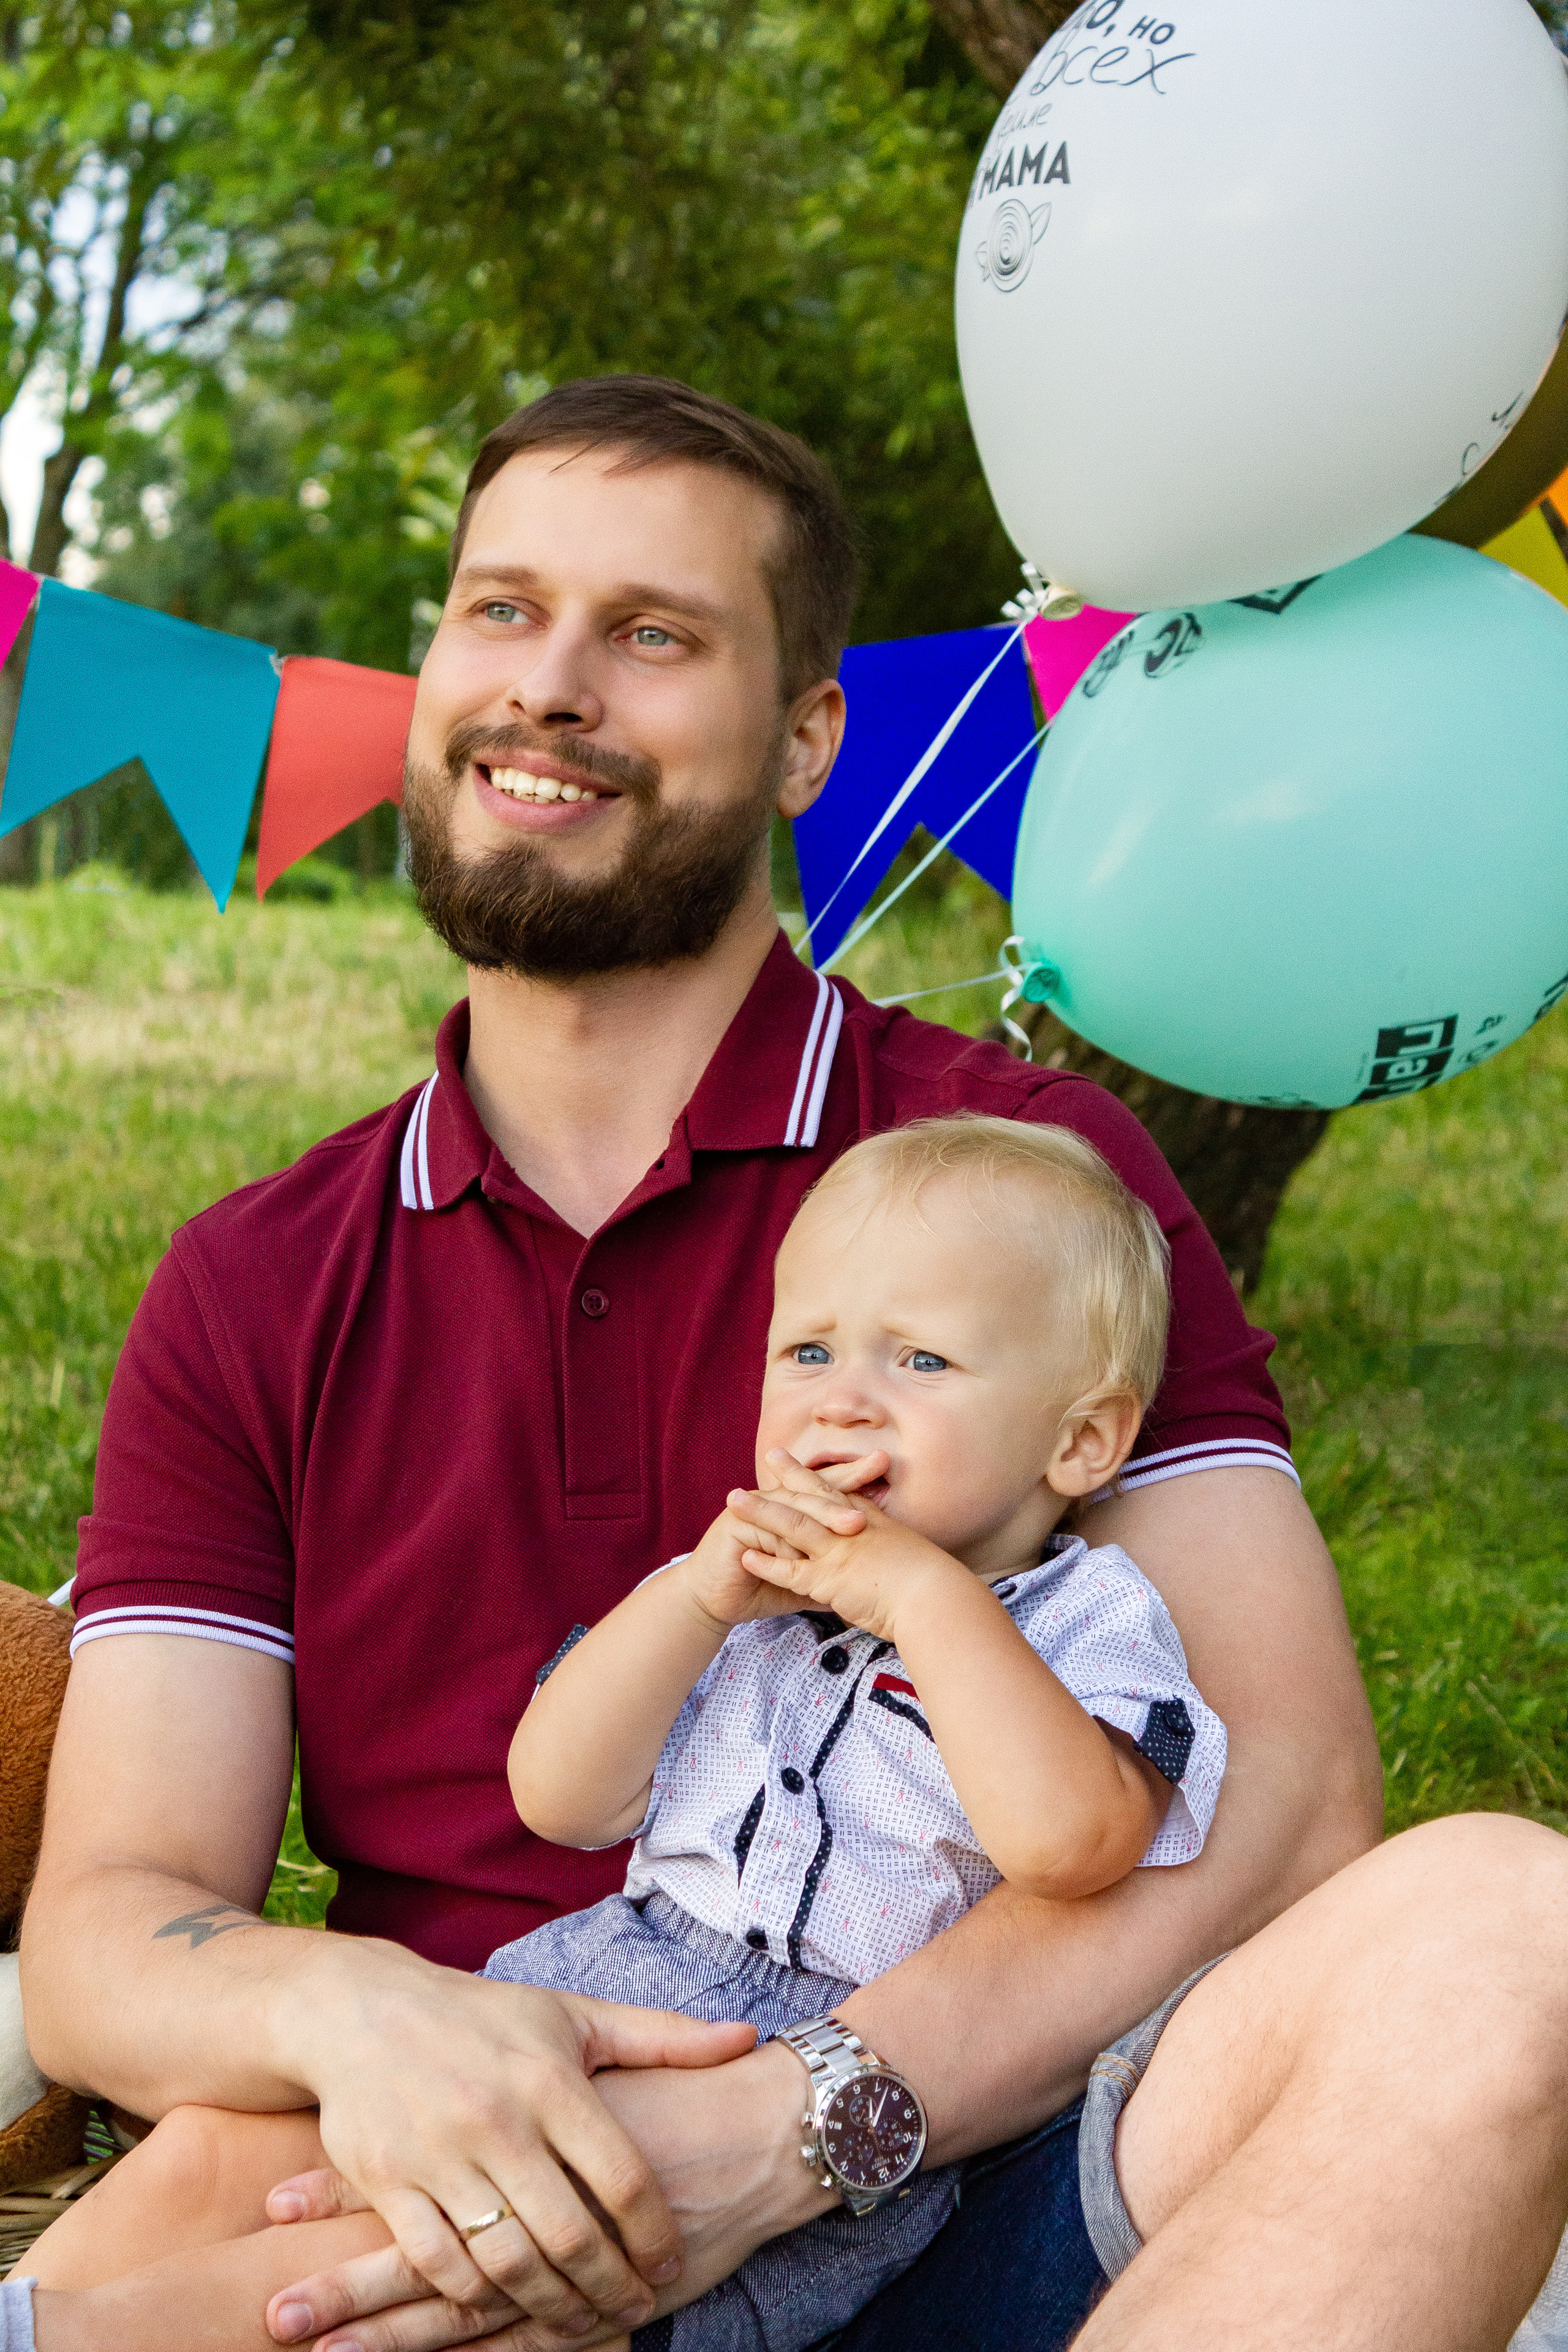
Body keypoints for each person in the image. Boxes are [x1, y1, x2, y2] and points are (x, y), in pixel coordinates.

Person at [14, 374, 1568, 2352]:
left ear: (811, 737)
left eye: (653, 635)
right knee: (175, 2231)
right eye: (500, 611)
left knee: (1508, 1938)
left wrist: (800, 2125)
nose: (552, 686)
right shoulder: (258, 1283)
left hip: (1003, 2177)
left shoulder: (1026, 1192)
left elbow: (1299, 1794)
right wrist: (360, 2011)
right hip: (463, 2201)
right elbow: (106, 1926)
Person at [7, 1114, 1229, 2352]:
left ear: (1081, 1439)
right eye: (804, 1352)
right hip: (576, 1997)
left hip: (791, 2093)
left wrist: (924, 1602)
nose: (840, 1403)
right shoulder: (748, 1612)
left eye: (920, 1362)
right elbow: (561, 1794)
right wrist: (689, 1601)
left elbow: (1075, 1844)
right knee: (222, 2154)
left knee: (396, 2258)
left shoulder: (1081, 1622)